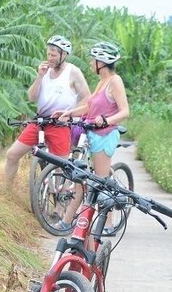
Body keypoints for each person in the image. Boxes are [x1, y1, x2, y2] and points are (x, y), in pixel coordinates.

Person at [52, 41, 130, 230]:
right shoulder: (101, 82)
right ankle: (67, 221)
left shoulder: (114, 81)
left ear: (101, 62)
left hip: (105, 135)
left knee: (102, 184)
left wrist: (106, 120)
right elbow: (89, 107)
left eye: (93, 60)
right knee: (81, 179)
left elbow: (125, 111)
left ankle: (108, 223)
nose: (90, 63)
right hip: (91, 135)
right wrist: (69, 112)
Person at [4, 35, 90, 184]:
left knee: (60, 167)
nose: (50, 58)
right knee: (12, 154)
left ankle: (60, 203)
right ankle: (7, 191)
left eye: (54, 55)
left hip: (60, 124)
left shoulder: (73, 72)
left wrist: (70, 113)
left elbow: (87, 98)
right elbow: (31, 97)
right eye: (48, 54)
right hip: (40, 121)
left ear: (64, 55)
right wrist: (39, 77)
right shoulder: (45, 71)